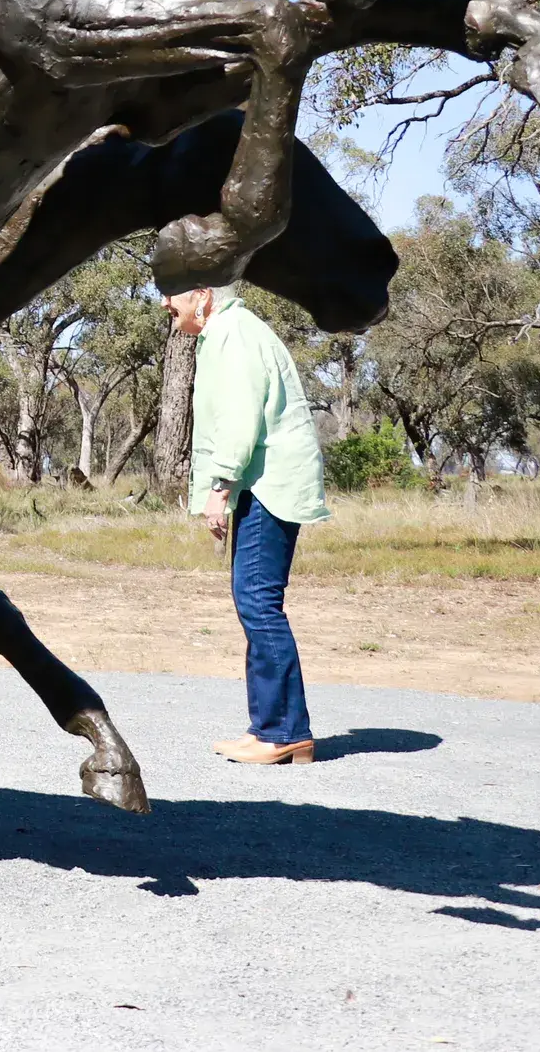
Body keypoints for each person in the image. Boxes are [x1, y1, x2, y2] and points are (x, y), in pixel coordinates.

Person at [165, 282, 328, 765]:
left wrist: (221, 488)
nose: (165, 304)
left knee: (258, 602)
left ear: (202, 295)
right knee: (255, 601)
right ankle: (271, 729)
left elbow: (239, 419)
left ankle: (283, 732)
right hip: (262, 483)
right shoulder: (229, 331)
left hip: (267, 485)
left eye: (172, 292)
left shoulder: (233, 333)